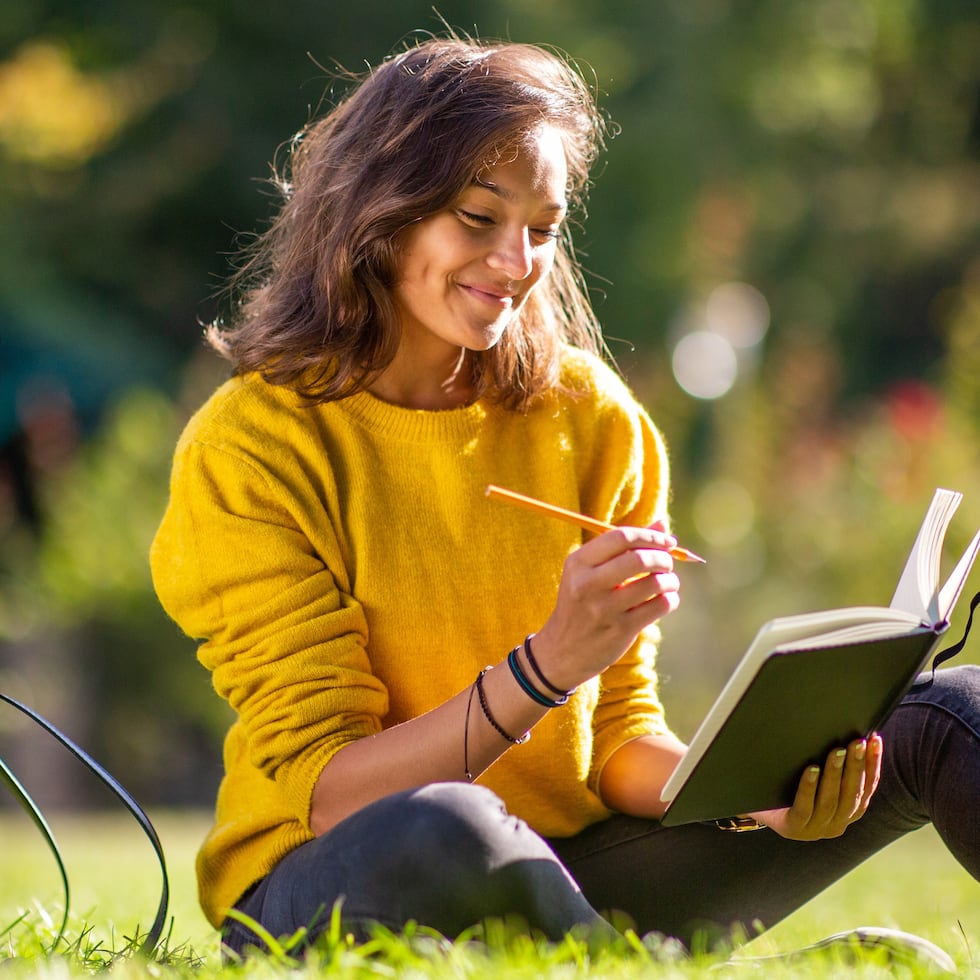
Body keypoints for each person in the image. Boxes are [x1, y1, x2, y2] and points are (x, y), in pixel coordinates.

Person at [149, 33, 980, 959]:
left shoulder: (591, 417)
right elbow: (334, 790)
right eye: (478, 217)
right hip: (342, 879)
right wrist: (545, 667)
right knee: (451, 824)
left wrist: (760, 795)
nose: (516, 261)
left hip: (571, 870)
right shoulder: (254, 445)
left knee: (955, 716)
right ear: (377, 214)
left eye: (542, 229)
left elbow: (619, 737)